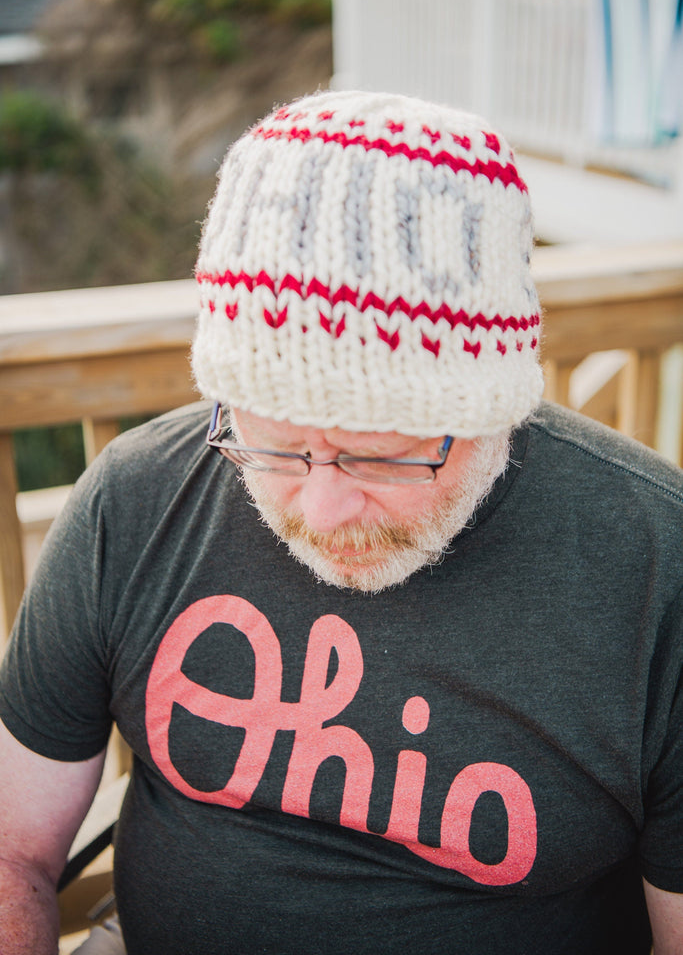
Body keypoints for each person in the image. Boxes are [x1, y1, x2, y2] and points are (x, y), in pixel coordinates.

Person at [0, 90, 681, 955]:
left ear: (492, 408)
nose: (319, 512)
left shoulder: (657, 567)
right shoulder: (134, 497)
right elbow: (12, 850)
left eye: (379, 456)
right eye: (275, 444)